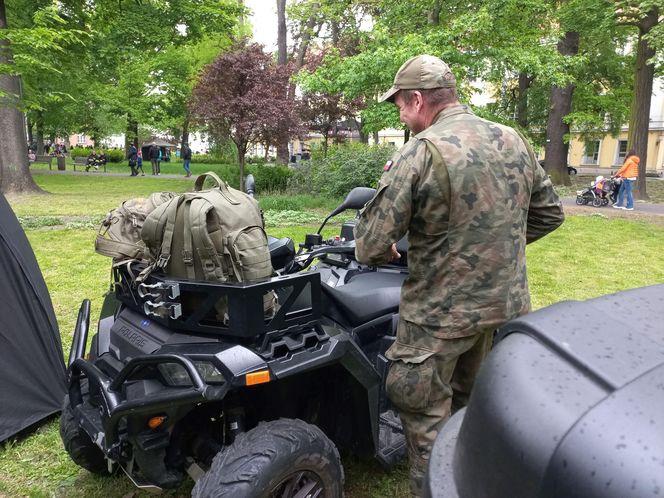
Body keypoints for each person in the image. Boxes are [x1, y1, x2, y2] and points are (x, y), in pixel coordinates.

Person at [353, 54, 565, 497]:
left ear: (417, 99)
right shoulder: (511, 139)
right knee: (473, 405)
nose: (400, 114)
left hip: (439, 317)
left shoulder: (422, 150)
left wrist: (395, 248)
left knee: (425, 414)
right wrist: (494, 249)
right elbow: (549, 214)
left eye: (400, 104)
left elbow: (370, 244)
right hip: (502, 307)